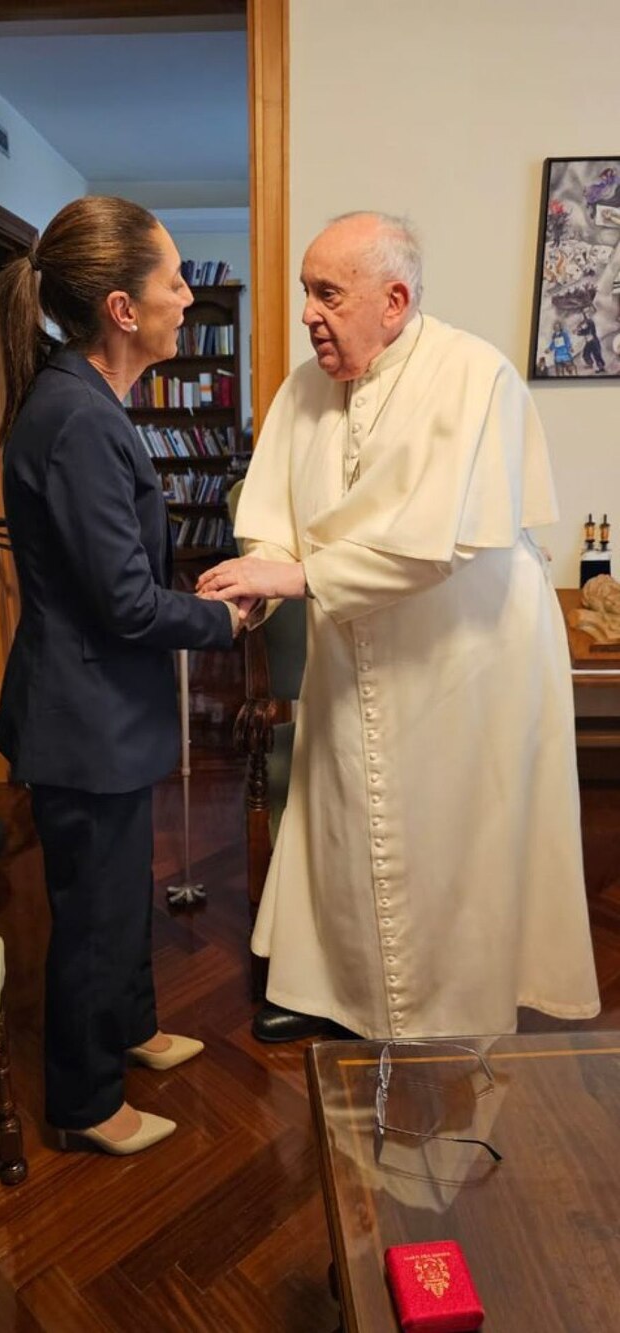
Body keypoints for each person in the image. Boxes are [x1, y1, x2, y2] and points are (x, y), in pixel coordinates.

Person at [198, 211, 600, 1044]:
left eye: (326, 293)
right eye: (306, 291)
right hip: (355, 647)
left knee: (455, 829)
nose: (308, 311)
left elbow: (440, 542)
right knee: (344, 817)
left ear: (395, 298)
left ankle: (454, 1006)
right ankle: (335, 991)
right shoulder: (306, 385)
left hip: (464, 653)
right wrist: (260, 578)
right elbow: (275, 514)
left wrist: (301, 575)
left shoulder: (472, 375)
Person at [0, 196, 242, 1154]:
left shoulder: (85, 400)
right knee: (92, 915)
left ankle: (132, 1028)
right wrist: (220, 616)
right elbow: (127, 605)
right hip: (83, 717)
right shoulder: (79, 418)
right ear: (122, 308)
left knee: (123, 886)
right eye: (174, 277)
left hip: (102, 708)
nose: (190, 295)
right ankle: (87, 1102)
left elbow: (119, 582)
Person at [576, 308, 606, 373]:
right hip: (589, 341)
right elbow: (585, 330)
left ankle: (601, 367)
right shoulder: (587, 322)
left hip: (593, 341)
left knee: (597, 355)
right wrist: (579, 331)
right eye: (584, 314)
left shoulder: (590, 322)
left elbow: (588, 331)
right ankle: (590, 364)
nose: (585, 316)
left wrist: (579, 332)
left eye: (586, 314)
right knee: (586, 353)